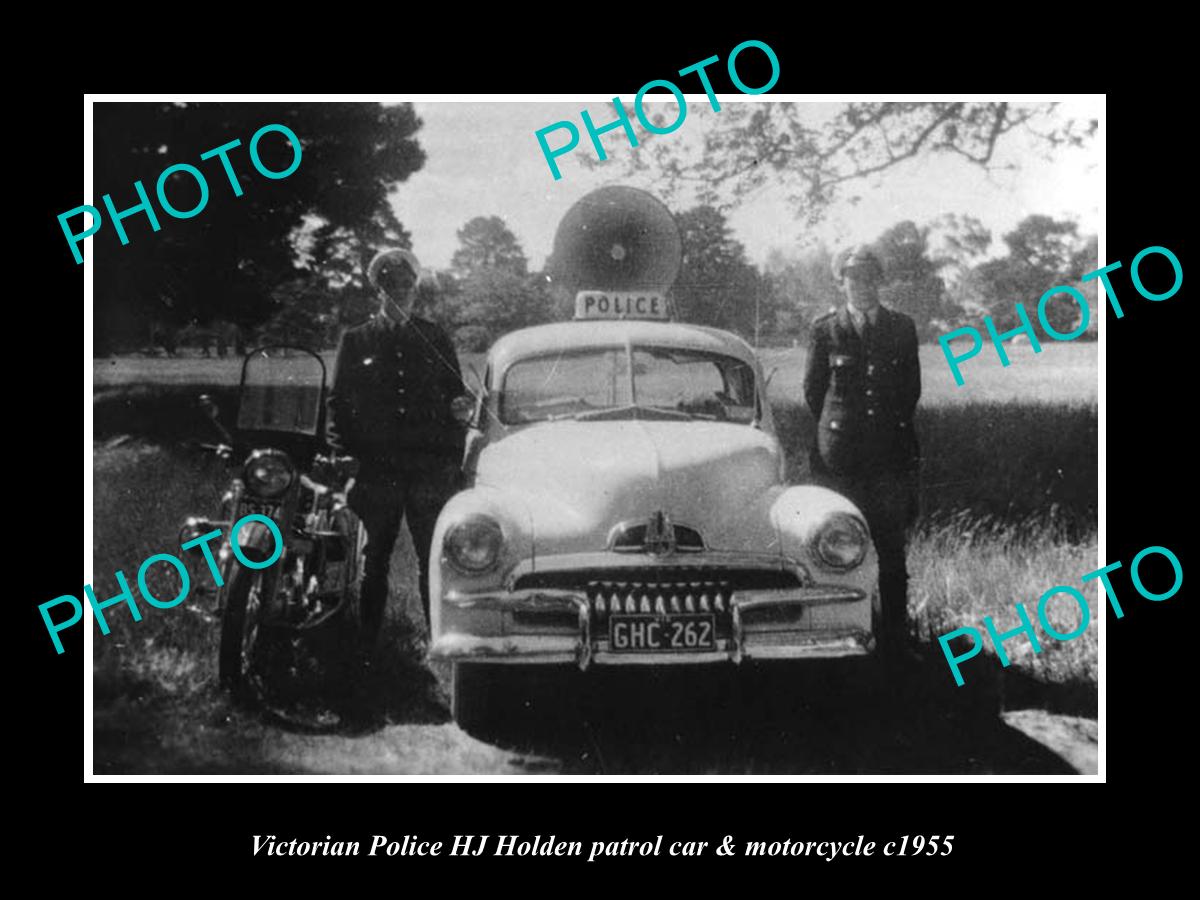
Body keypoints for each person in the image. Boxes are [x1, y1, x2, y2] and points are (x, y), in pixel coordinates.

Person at [328, 248, 465, 654]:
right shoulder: (356, 340)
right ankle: (370, 644)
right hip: (378, 469)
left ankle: (437, 641)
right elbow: (338, 403)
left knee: (432, 559)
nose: (401, 292)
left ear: (415, 288)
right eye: (392, 286)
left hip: (428, 470)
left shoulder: (435, 336)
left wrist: (451, 458)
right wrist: (344, 453)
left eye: (407, 285)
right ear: (379, 290)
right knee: (375, 561)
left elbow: (456, 399)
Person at [802, 244, 921, 658]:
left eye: (870, 278)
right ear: (842, 282)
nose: (863, 286)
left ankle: (895, 640)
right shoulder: (825, 329)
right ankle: (837, 637)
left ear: (879, 282)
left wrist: (883, 435)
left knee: (890, 550)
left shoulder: (901, 328)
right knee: (832, 546)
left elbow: (909, 392)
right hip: (839, 460)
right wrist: (844, 431)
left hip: (887, 458)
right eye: (854, 278)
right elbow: (814, 393)